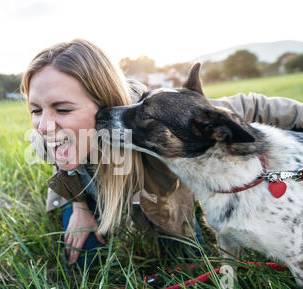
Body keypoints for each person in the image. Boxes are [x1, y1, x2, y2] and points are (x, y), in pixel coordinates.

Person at [21, 39, 303, 267]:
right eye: (35, 110)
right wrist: (80, 209)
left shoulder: (159, 116)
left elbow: (251, 106)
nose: (44, 126)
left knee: (186, 262)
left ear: (104, 101)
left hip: (156, 197)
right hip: (94, 188)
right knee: (83, 263)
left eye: (64, 109)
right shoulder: (45, 136)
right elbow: (64, 170)